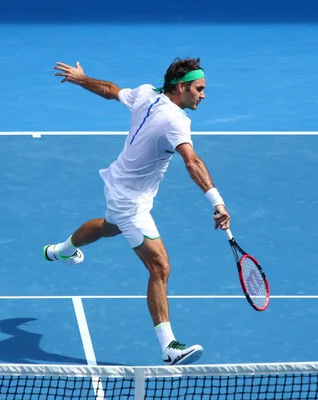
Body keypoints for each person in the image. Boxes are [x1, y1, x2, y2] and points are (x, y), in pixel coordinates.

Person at [44, 58, 230, 366]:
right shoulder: (177, 121)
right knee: (160, 267)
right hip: (130, 200)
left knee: (108, 227)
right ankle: (169, 347)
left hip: (119, 184)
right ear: (181, 87)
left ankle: (62, 250)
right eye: (199, 89)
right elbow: (192, 162)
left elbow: (109, 90)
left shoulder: (146, 93)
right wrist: (217, 201)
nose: (203, 95)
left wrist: (81, 78)